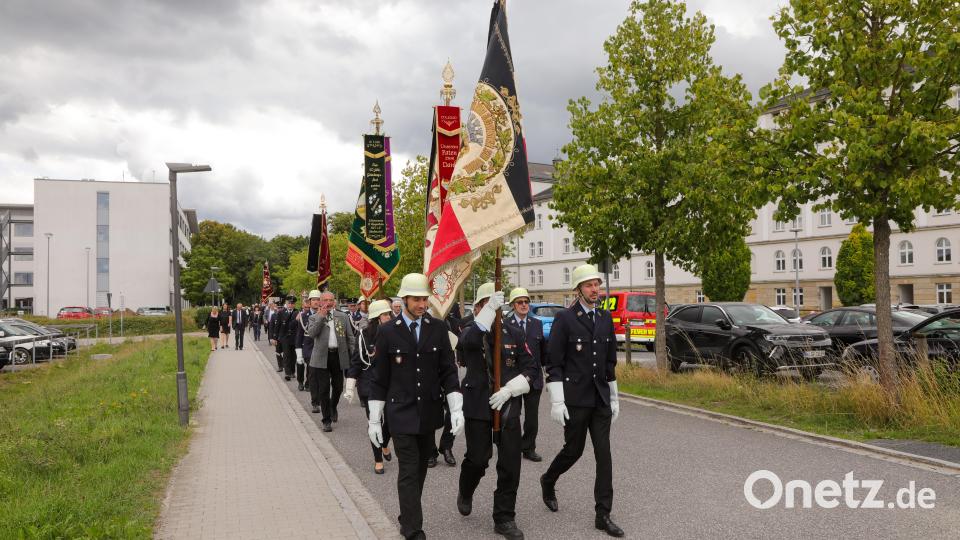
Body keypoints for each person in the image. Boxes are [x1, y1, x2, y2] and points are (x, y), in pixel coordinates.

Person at [368, 273, 464, 540]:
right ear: (405, 299)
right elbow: (379, 379)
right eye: (417, 299)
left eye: (425, 299)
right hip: (400, 413)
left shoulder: (437, 328)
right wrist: (375, 419)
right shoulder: (388, 331)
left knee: (421, 469)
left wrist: (455, 407)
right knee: (409, 470)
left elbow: (448, 371)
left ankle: (406, 513)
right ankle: (412, 528)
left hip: (429, 412)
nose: (422, 305)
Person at [540, 264, 624, 538]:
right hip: (575, 399)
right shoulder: (565, 318)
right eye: (588, 285)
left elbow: (609, 361)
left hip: (599, 399)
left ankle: (603, 514)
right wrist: (557, 401)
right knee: (573, 450)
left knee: (604, 456)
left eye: (597, 284)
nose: (595, 289)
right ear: (578, 290)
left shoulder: (605, 317)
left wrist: (613, 397)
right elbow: (554, 363)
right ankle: (548, 479)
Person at [456, 283, 535, 540]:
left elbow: (531, 369)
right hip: (478, 403)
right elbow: (467, 343)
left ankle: (504, 517)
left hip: (508, 403)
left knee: (511, 464)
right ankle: (466, 489)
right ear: (478, 307)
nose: (492, 309)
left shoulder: (513, 332)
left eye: (495, 304)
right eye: (485, 304)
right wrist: (487, 313)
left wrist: (511, 389)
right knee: (478, 459)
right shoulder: (471, 331)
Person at [344, 299, 394, 473]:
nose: (389, 317)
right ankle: (378, 458)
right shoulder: (364, 335)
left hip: (390, 384)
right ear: (376, 317)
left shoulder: (396, 333)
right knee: (375, 422)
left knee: (391, 421)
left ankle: (384, 443)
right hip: (370, 384)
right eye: (385, 314)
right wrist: (350, 385)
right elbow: (357, 361)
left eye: (389, 313)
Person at [306, 290, 357, 432]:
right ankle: (326, 419)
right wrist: (321, 317)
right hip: (321, 357)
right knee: (323, 390)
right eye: (325, 300)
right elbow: (311, 334)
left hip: (338, 356)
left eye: (331, 300)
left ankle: (333, 406)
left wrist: (353, 357)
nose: (328, 303)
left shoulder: (343, 316)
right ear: (320, 302)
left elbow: (350, 338)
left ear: (334, 302)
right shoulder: (314, 317)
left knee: (338, 387)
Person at [505, 288, 546, 462]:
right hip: (513, 378)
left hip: (533, 378)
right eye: (520, 302)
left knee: (532, 418)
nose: (524, 305)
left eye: (526, 302)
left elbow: (542, 351)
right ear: (513, 305)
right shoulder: (505, 324)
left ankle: (528, 447)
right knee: (512, 415)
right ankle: (509, 446)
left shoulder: (537, 323)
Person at [294, 291, 321, 392]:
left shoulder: (324, 315)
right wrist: (299, 352)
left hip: (320, 347)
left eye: (318, 299)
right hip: (308, 347)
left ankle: (308, 383)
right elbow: (299, 335)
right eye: (313, 300)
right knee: (307, 366)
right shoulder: (303, 316)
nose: (316, 302)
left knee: (312, 370)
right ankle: (301, 381)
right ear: (309, 302)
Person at [273, 296, 299, 381]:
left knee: (293, 356)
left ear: (294, 304)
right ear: (286, 304)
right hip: (284, 337)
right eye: (289, 303)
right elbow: (277, 326)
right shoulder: (281, 312)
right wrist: (275, 338)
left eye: (292, 303)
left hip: (294, 337)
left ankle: (292, 371)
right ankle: (287, 373)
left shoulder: (297, 312)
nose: (290, 305)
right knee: (286, 355)